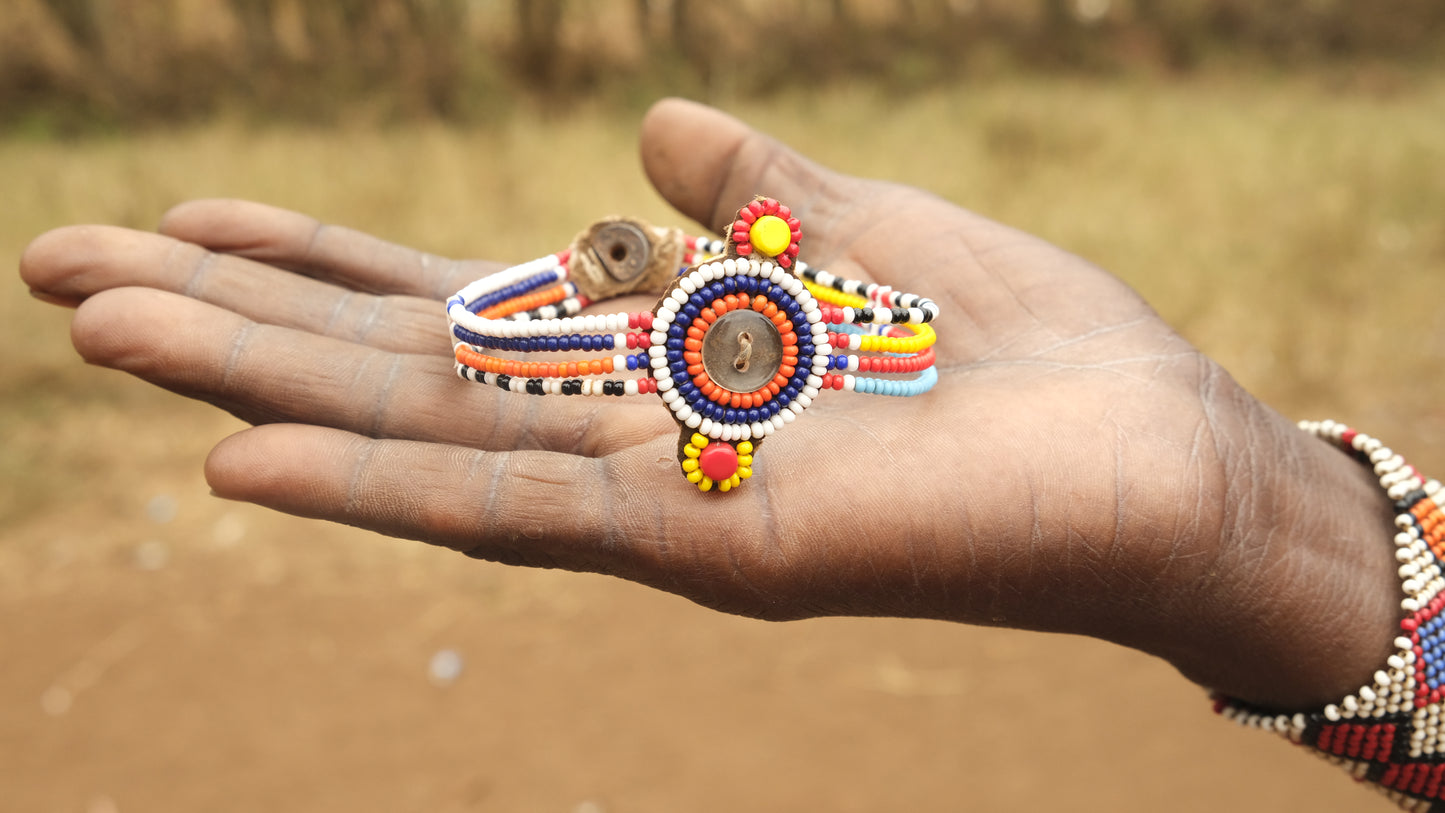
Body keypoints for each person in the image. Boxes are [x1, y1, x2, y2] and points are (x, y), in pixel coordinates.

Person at [17, 97, 1406, 784]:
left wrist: (1253, 517)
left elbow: (810, 342)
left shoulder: (775, 332)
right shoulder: (702, 331)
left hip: (745, 335)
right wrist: (1272, 527)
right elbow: (684, 345)